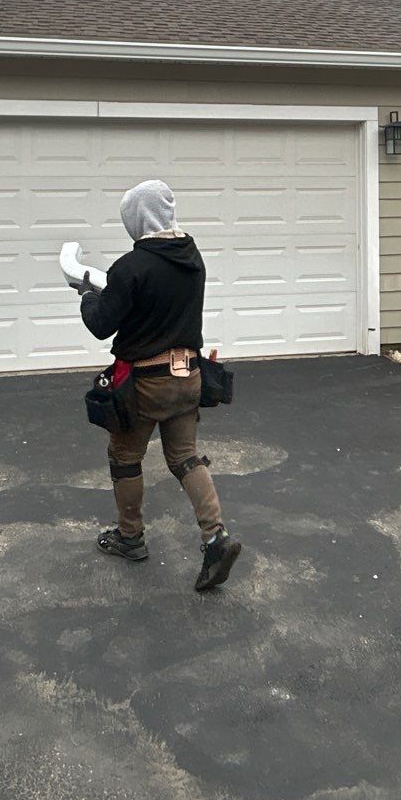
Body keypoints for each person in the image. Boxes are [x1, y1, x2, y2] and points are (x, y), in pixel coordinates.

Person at [78, 179, 241, 592]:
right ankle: (215, 536)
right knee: (185, 456)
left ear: (138, 219)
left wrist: (86, 294)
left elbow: (101, 324)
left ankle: (130, 537)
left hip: (146, 385)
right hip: (189, 377)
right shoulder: (193, 258)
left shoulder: (131, 267)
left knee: (124, 456)